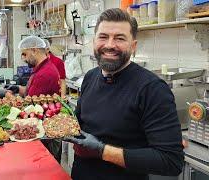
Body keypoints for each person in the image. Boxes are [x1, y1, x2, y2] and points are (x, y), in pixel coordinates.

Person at [64, 8, 184, 180]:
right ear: (94, 41)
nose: (110, 45)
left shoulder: (152, 89)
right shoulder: (90, 77)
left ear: (133, 46)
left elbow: (171, 161)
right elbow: (78, 125)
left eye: (119, 38)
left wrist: (102, 151)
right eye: (103, 37)